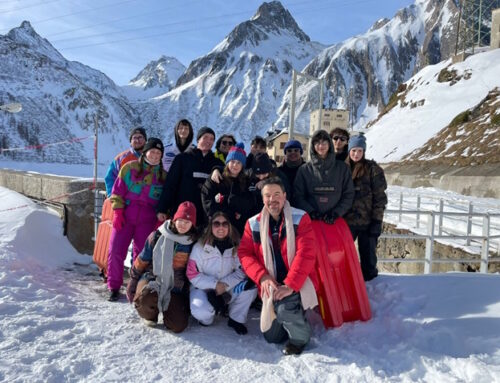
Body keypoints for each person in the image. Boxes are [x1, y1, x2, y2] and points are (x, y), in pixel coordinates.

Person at [238, 177, 318, 355]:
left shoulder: (300, 218)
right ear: (262, 198)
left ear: (284, 196)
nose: (272, 199)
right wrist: (262, 277)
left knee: (283, 310)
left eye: (276, 194)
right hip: (270, 282)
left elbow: (305, 254)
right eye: (267, 195)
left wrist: (290, 285)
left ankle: (300, 338)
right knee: (272, 337)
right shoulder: (253, 223)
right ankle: (293, 315)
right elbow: (245, 253)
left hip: (297, 281)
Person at [107, 138, 166, 301]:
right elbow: (116, 191)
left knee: (141, 256)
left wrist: (159, 221)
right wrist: (118, 212)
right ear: (145, 152)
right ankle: (113, 286)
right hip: (125, 216)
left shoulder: (163, 177)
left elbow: (164, 201)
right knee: (116, 250)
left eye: (158, 153)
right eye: (152, 152)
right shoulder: (129, 168)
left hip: (147, 220)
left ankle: (136, 288)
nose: (155, 156)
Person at [126, 201, 198, 332]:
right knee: (145, 299)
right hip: (152, 278)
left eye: (187, 222)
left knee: (178, 325)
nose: (183, 225)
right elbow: (142, 259)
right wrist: (133, 280)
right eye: (180, 220)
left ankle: (169, 312)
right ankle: (150, 314)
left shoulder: (192, 242)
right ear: (174, 219)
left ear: (192, 224)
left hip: (175, 286)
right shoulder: (157, 235)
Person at [187, 211, 257, 335]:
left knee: (251, 288)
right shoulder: (200, 247)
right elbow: (192, 273)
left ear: (230, 227)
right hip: (204, 288)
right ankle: (208, 318)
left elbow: (242, 271)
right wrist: (214, 285)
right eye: (216, 224)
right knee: (201, 310)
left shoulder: (236, 246)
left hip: (227, 287)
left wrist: (223, 285)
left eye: (225, 224)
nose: (221, 227)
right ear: (211, 226)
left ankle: (236, 318)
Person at [156, 126, 224, 227]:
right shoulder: (182, 159)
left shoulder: (217, 164)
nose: (208, 141)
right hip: (182, 213)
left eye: (211, 139)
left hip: (204, 216)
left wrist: (218, 168)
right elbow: (170, 184)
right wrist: (162, 208)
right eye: (205, 137)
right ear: (198, 140)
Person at [344, 134, 387, 281]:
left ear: (364, 151)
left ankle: (371, 287)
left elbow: (380, 198)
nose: (356, 154)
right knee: (342, 258)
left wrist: (377, 221)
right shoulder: (342, 169)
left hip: (367, 223)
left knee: (368, 260)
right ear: (349, 150)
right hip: (346, 223)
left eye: (360, 151)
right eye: (353, 150)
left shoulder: (373, 169)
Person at [294, 129, 354, 224]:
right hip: (311, 222)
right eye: (317, 142)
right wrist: (311, 212)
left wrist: (336, 213)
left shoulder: (342, 168)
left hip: (336, 221)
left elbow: (349, 194)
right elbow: (298, 196)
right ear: (313, 146)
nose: (321, 146)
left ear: (329, 144)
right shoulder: (304, 170)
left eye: (324, 142)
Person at [201, 143, 254, 236]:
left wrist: (236, 206)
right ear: (227, 162)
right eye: (232, 161)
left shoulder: (246, 181)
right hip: (217, 226)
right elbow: (206, 200)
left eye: (239, 162)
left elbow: (249, 204)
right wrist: (228, 214)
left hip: (237, 229)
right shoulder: (216, 178)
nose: (235, 165)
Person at [104, 127, 147, 197]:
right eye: (134, 138)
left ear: (145, 140)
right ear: (130, 141)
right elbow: (110, 177)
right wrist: (112, 196)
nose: (137, 140)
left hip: (146, 200)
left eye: (140, 137)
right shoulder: (121, 158)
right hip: (125, 200)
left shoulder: (152, 156)